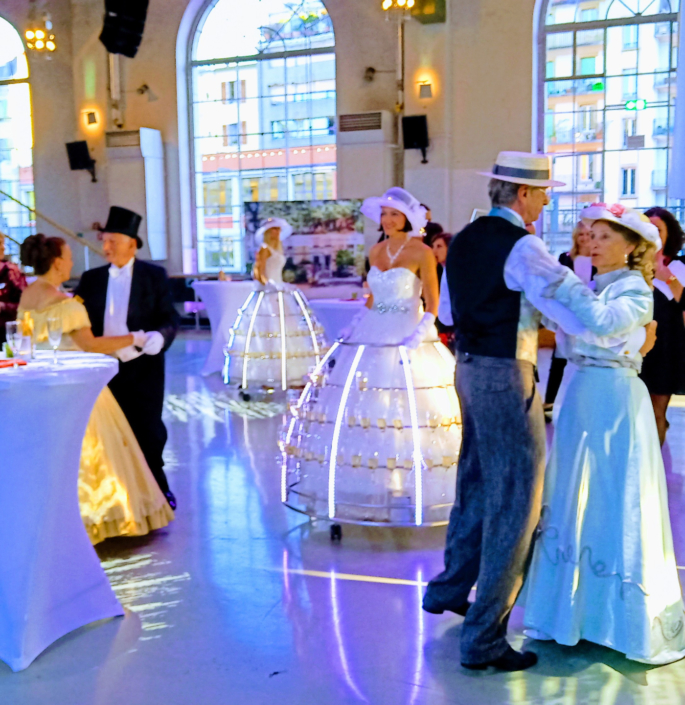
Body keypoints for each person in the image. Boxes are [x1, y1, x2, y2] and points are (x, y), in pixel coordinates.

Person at [523, 204, 685, 665]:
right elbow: (576, 332)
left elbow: (602, 324)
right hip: (580, 392)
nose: (591, 243)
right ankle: (570, 612)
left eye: (604, 237)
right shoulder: (595, 285)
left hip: (613, 400)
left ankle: (616, 619)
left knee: (615, 495)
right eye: (590, 235)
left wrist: (568, 303)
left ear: (634, 247)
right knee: (573, 494)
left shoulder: (635, 288)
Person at [281, 188, 461, 526]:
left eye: (394, 214)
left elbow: (433, 303)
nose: (388, 220)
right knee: (369, 408)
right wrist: (355, 324)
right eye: (384, 214)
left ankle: (411, 486)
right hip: (374, 332)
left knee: (411, 409)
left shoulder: (422, 252)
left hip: (407, 332)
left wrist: (420, 331)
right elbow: (371, 297)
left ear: (407, 218)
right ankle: (376, 484)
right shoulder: (376, 250)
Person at [18, 233, 174, 543]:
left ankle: (48, 519)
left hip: (44, 388)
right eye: (70, 257)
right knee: (94, 457)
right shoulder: (67, 303)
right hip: (77, 385)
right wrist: (136, 338)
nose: (74, 261)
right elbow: (90, 344)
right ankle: (98, 519)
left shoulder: (28, 296)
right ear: (59, 263)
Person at [75, 206, 179, 509]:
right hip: (103, 369)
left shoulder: (154, 276)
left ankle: (158, 490)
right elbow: (78, 319)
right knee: (110, 433)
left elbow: (169, 316)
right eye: (104, 241)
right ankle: (117, 498)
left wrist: (161, 336)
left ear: (132, 244)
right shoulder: (91, 278)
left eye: (113, 242)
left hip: (143, 367)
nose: (106, 248)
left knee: (148, 429)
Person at [225, 217, 325, 392]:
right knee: (268, 330)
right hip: (268, 293)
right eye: (273, 230)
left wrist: (280, 284)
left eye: (278, 230)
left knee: (287, 330)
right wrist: (268, 284)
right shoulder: (264, 249)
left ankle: (291, 374)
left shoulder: (277, 249)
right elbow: (258, 270)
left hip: (280, 292)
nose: (276, 233)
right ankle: (266, 375)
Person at [640, 207, 685, 445]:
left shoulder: (679, 266)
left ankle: (653, 473)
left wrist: (665, 274)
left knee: (657, 411)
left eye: (658, 229)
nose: (652, 234)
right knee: (638, 411)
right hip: (637, 346)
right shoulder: (632, 265)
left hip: (667, 348)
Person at [544, 220, 596, 409]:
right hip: (567, 313)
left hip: (588, 313)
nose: (583, 239)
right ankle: (549, 401)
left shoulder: (598, 260)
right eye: (580, 235)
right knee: (559, 357)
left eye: (587, 235)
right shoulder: (565, 258)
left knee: (586, 357)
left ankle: (583, 401)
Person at [0, 232, 27, 343]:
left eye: (3, 243)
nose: (3, 247)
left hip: (6, 335)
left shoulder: (11, 272)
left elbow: (26, 305)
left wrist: (3, 307)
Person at [431, 232, 455, 347]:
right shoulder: (439, 270)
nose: (434, 251)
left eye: (439, 247)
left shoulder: (455, 271)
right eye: (433, 247)